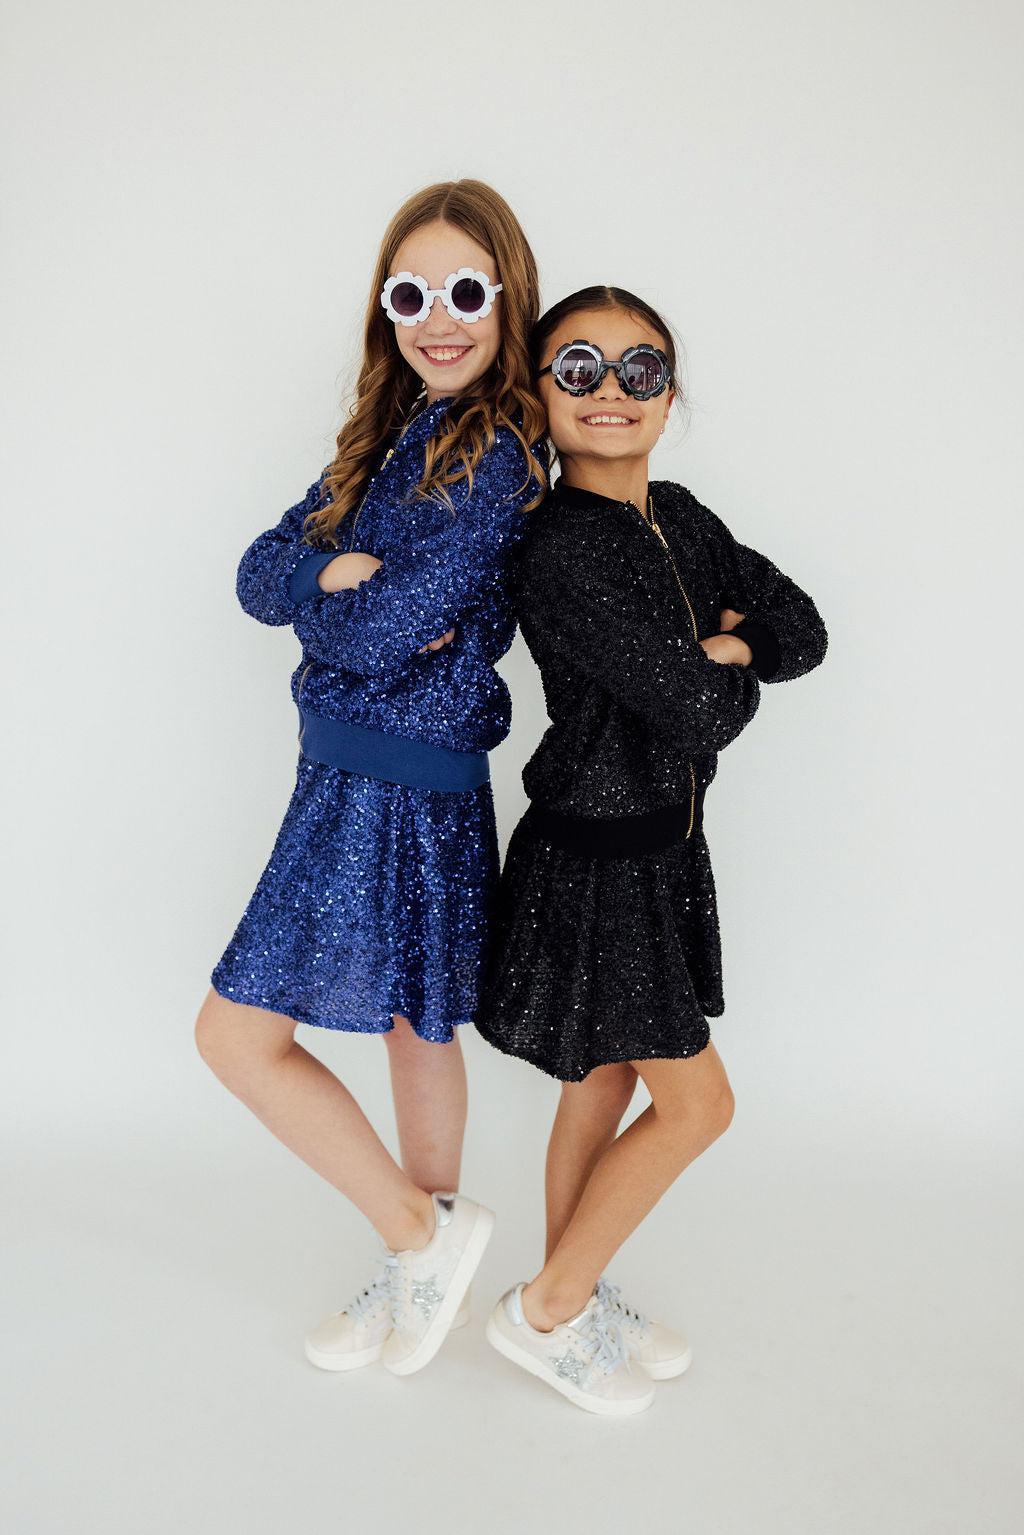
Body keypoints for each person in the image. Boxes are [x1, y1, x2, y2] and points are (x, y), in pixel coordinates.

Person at [194, 179, 547, 1378]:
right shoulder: (389, 435)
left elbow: (377, 632)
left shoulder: (495, 453)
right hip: (358, 769)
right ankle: (420, 1260)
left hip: (396, 782)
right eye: (411, 294)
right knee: (412, 1022)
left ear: (507, 300)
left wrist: (348, 593)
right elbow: (256, 571)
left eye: (464, 291)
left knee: (236, 1036)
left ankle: (418, 1237)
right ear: (384, 308)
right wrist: (323, 578)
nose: (436, 318)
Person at [475, 286, 828, 1415]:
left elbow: (803, 624)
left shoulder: (680, 514)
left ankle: (568, 1292)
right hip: (596, 864)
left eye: (641, 369)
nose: (613, 391)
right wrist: (722, 658)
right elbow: (701, 711)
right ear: (540, 392)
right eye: (579, 368)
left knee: (604, 1084)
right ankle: (542, 1310)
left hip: (663, 849)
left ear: (670, 395)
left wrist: (738, 641)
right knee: (698, 1107)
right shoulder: (560, 549)